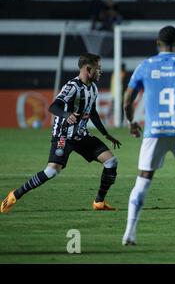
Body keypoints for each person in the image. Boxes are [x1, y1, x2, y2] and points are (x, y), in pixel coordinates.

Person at [1, 53, 122, 213]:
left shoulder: (92, 88)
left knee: (111, 162)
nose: (100, 72)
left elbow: (92, 112)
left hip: (81, 135)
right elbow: (53, 107)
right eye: (98, 69)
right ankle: (14, 195)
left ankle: (99, 202)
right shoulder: (71, 87)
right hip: (63, 135)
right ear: (88, 69)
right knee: (51, 171)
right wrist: (67, 115)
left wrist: (106, 134)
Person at [122, 26, 175, 245]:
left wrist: (132, 123)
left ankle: (130, 232)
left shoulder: (144, 66)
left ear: (157, 43)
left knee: (143, 180)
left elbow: (127, 101)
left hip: (154, 131)